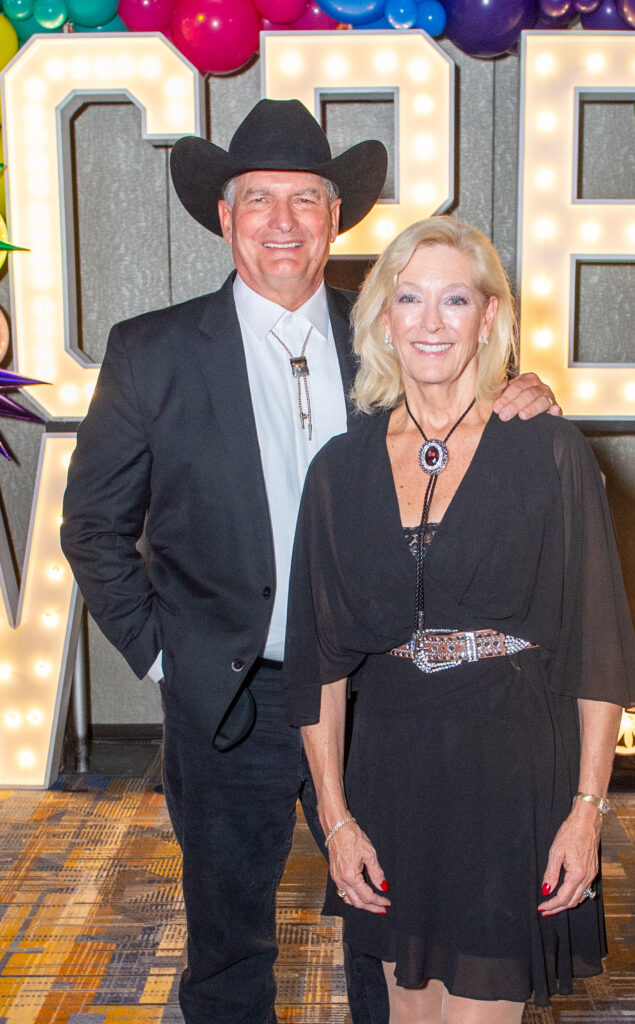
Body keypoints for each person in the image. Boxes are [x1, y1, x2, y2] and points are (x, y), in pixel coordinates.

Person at [60, 100, 559, 1024]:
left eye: (304, 199)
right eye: (258, 200)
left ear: (338, 218)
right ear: (225, 217)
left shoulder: (388, 338)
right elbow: (90, 527)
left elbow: (472, 416)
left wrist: (524, 388)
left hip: (382, 700)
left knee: (392, 936)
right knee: (229, 946)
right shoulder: (152, 353)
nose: (281, 222)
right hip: (227, 706)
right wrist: (169, 656)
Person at [285, 216, 635, 1024]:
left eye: (455, 299)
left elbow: (594, 644)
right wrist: (337, 820)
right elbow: (318, 666)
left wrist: (588, 810)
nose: (430, 321)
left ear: (489, 318)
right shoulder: (339, 471)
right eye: (409, 298)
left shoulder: (547, 450)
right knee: (405, 1009)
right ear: (382, 318)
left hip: (510, 768)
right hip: (391, 775)